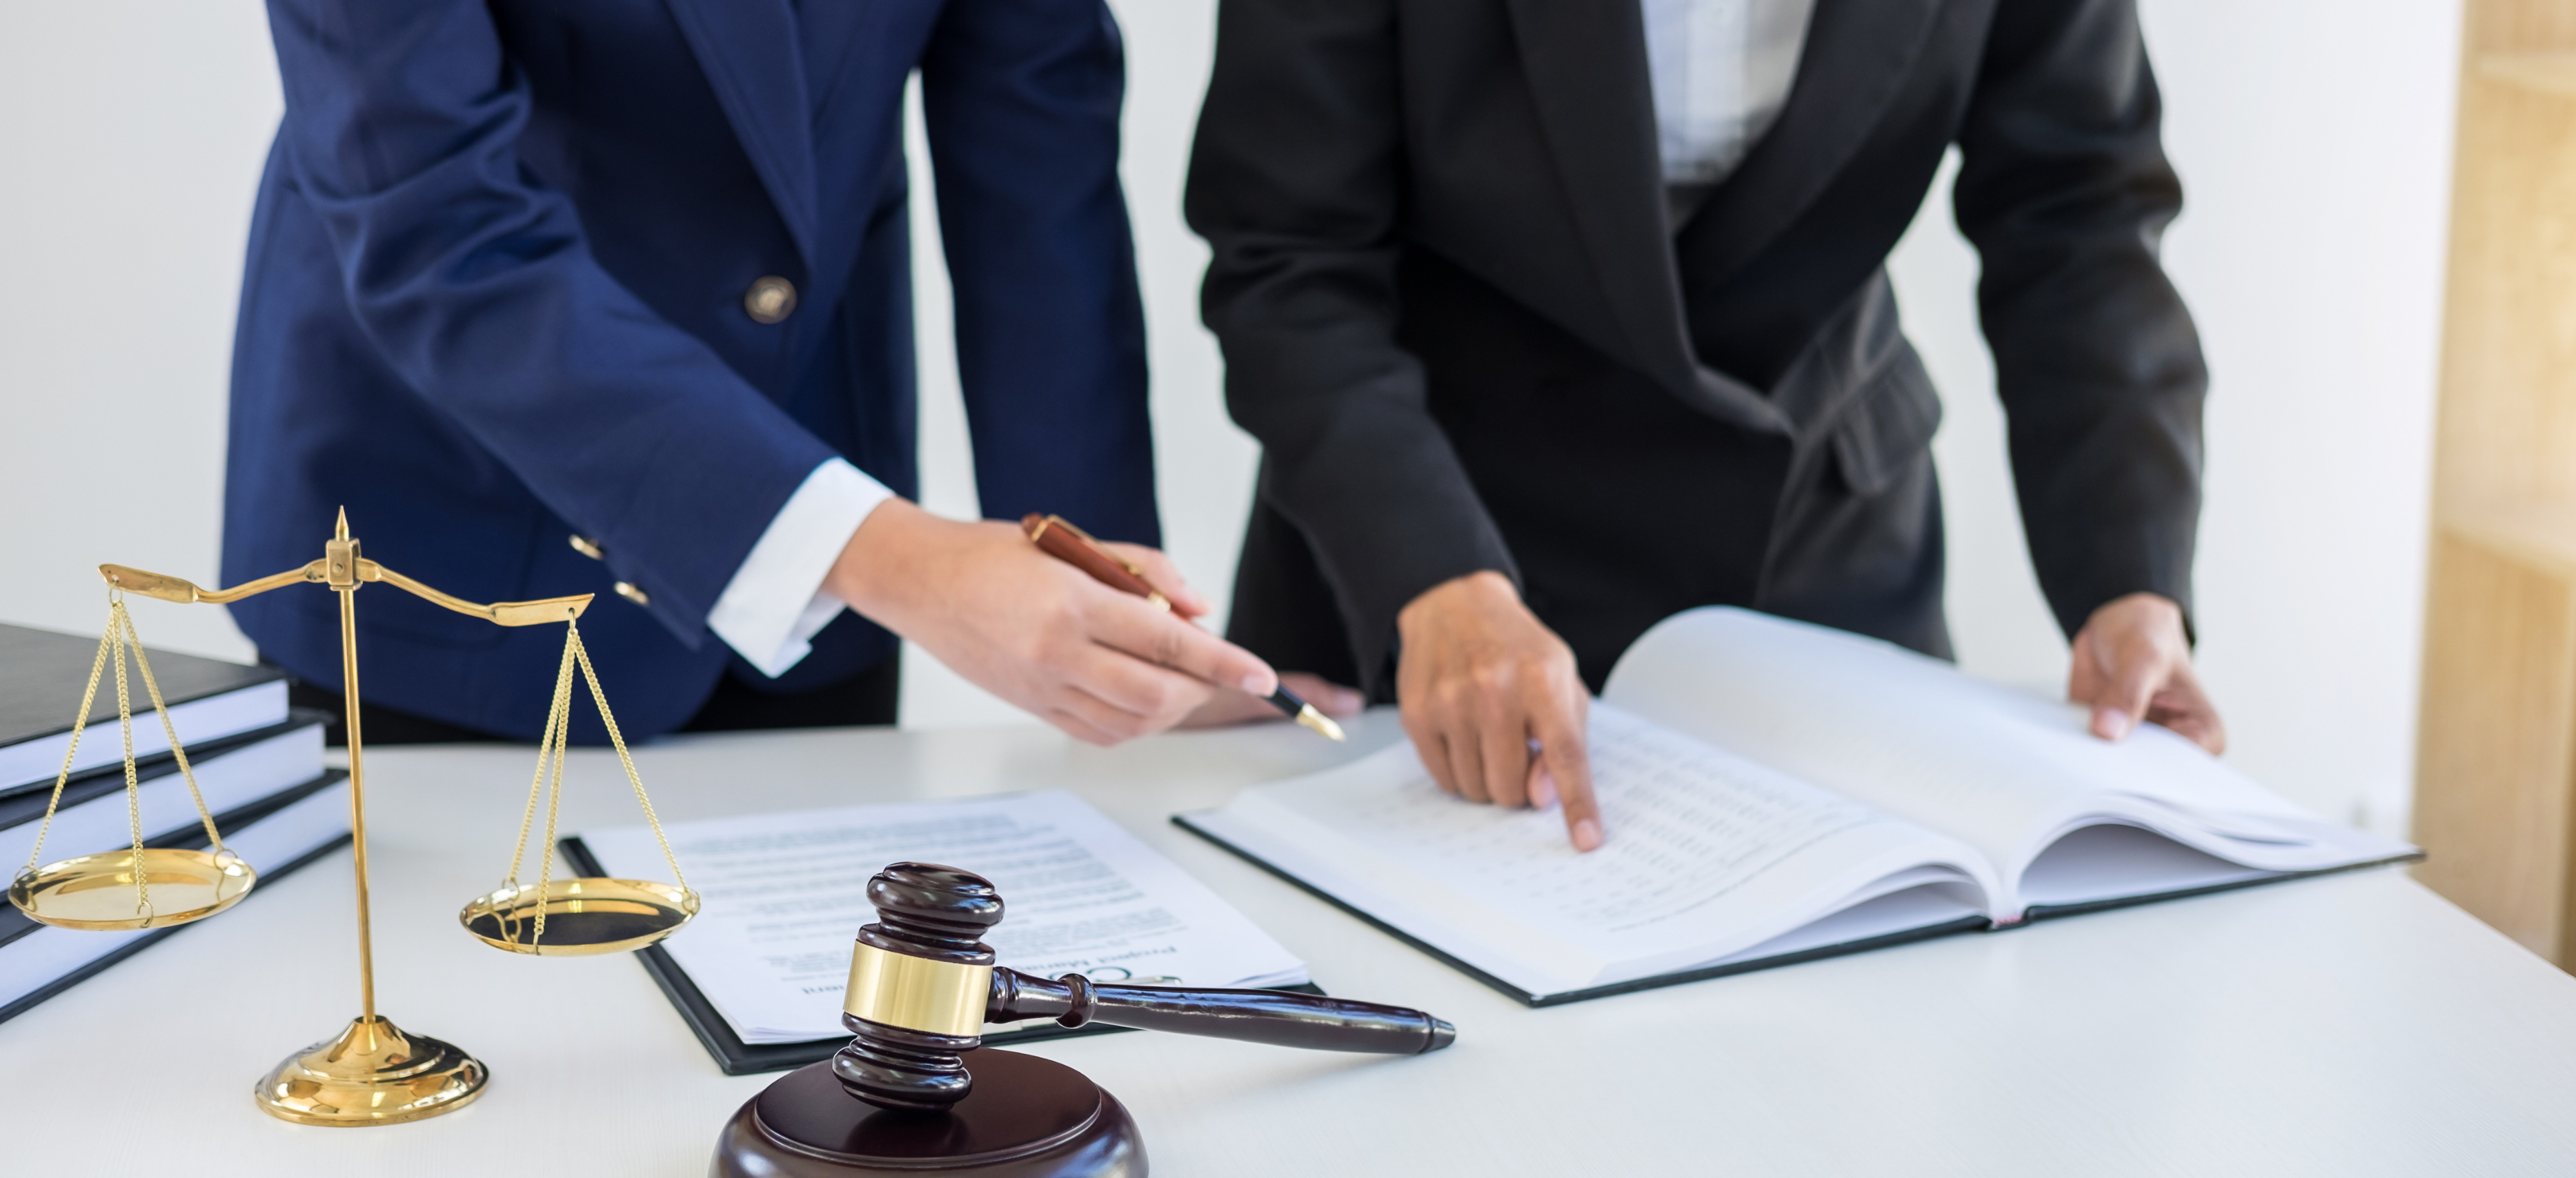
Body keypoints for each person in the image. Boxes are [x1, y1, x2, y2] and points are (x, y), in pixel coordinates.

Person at [1185, 0, 2226, 849]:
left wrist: (2127, 579)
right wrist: (1428, 572)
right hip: (1431, 557)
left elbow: (2076, 217)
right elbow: (1289, 259)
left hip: (1822, 554)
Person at [224, 0, 1311, 747]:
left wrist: (1125, 636)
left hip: (813, 460)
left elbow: (1040, 179)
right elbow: (436, 232)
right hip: (449, 532)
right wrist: (892, 558)